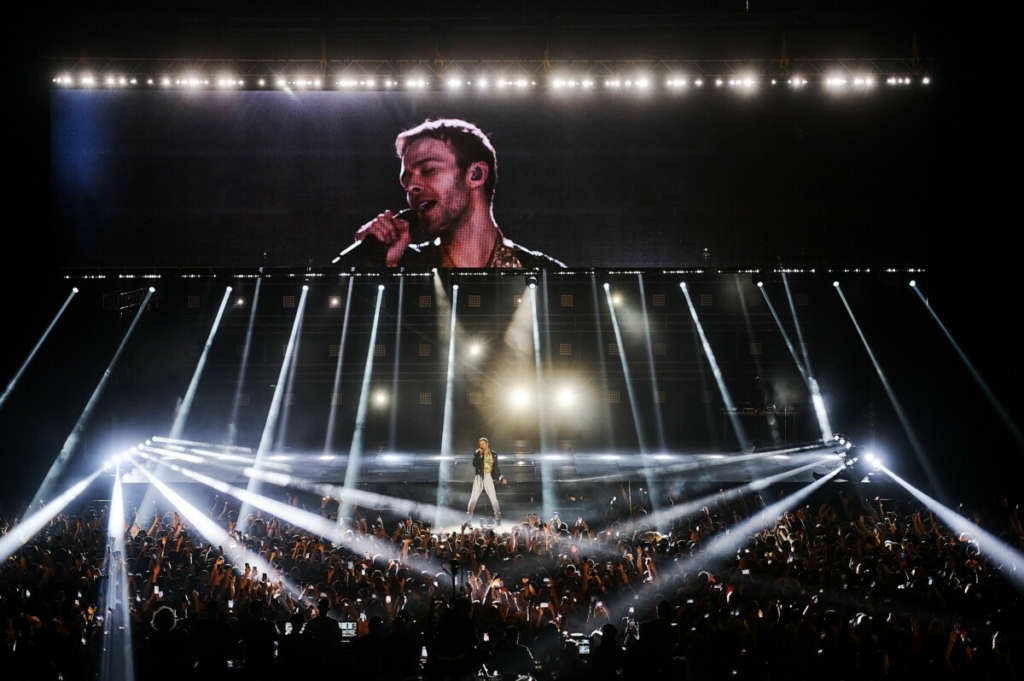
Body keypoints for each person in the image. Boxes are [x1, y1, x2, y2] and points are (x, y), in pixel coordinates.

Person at [337, 118, 565, 269]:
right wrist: (375, 267)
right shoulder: (404, 267)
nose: (412, 188)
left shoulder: (545, 274)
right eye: (406, 182)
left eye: (428, 170)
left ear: (475, 174)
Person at [467, 437, 507, 524]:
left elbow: (496, 469)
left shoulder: (494, 454)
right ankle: (469, 519)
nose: (481, 445)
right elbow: (474, 464)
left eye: (483, 444)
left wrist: (501, 477)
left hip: (488, 476)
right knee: (473, 499)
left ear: (487, 444)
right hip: (479, 477)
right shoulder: (477, 453)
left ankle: (498, 518)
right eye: (480, 444)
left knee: (494, 499)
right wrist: (478, 455)